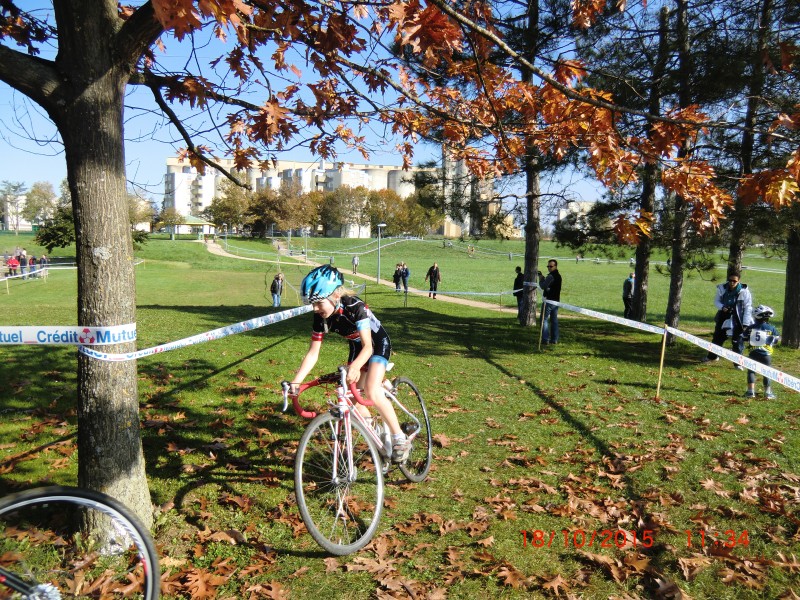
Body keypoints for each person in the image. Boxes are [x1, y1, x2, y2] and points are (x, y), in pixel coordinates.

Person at [288, 265, 410, 462]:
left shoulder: (355, 307)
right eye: (312, 304)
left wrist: (354, 367)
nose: (315, 309)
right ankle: (377, 433)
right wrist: (296, 381)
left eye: (318, 303)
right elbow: (313, 353)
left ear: (336, 295)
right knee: (348, 398)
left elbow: (368, 346)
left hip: (377, 345)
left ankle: (399, 438)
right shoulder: (320, 317)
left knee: (371, 390)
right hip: (356, 347)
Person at [703, 272, 753, 368]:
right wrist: (722, 307)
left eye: (734, 281)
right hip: (723, 315)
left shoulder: (745, 292)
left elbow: (748, 307)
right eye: (730, 280)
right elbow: (716, 301)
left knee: (737, 341)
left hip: (738, 317)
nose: (732, 283)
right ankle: (712, 357)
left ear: (738, 281)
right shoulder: (722, 288)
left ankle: (738, 363)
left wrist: (745, 323)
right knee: (717, 337)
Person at [743, 305, 780, 399]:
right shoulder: (771, 328)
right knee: (767, 372)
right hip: (766, 354)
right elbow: (776, 340)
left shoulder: (750, 328)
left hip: (753, 353)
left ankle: (750, 391)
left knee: (751, 371)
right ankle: (768, 393)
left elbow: (744, 338)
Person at [537, 259, 562, 345]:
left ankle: (545, 339)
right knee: (554, 320)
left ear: (555, 266)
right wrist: (544, 278)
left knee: (544, 319)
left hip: (549, 301)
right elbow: (549, 285)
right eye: (548, 266)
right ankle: (554, 339)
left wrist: (540, 279)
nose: (549, 268)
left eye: (551, 266)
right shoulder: (558, 276)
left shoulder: (551, 276)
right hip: (556, 301)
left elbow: (543, 286)